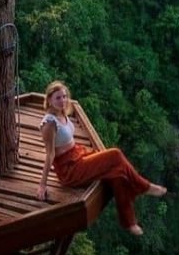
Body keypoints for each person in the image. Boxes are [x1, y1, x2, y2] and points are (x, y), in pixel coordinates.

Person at [36, 80, 166, 236]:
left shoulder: (62, 112)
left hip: (78, 154)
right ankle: (144, 186)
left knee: (117, 175)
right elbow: (50, 154)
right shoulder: (49, 124)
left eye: (64, 96)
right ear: (49, 99)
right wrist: (42, 185)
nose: (63, 101)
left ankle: (129, 222)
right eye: (58, 98)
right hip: (69, 169)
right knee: (115, 155)